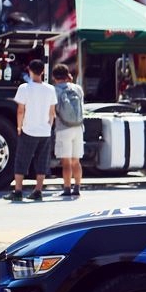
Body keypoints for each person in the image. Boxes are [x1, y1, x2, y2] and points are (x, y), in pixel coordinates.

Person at [5, 58, 56, 202]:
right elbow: (52, 112)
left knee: (22, 160)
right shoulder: (50, 89)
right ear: (43, 71)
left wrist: (19, 126)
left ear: (29, 70)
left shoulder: (24, 88)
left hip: (29, 130)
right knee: (42, 161)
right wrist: (48, 126)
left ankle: (18, 191)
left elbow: (21, 110)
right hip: (45, 131)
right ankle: (38, 191)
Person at [52, 63, 85, 197]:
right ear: (67, 75)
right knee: (76, 161)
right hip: (78, 128)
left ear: (54, 77)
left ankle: (67, 189)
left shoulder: (54, 90)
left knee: (66, 161)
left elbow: (53, 110)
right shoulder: (77, 88)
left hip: (63, 128)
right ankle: (77, 188)